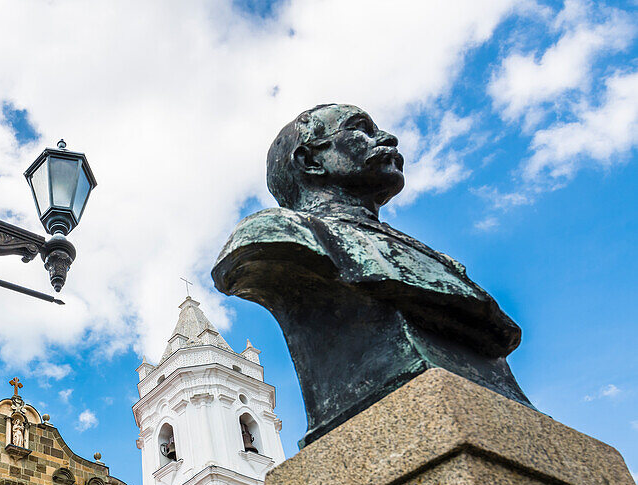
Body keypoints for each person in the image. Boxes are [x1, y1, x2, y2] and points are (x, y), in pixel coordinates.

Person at [213, 104, 530, 445]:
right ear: (309, 161)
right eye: (360, 129)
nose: (387, 138)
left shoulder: (442, 263)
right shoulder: (275, 234)